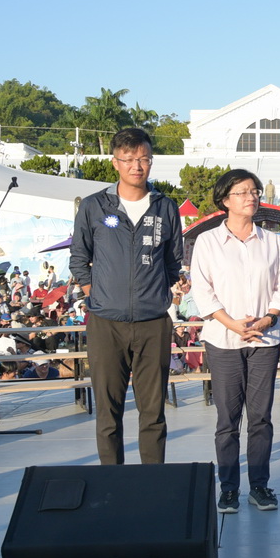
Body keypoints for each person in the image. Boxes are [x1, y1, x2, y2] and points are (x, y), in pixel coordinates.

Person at [70, 127, 184, 465]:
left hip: (153, 325)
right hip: (106, 324)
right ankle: (113, 485)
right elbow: (79, 258)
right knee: (108, 414)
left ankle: (152, 484)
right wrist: (97, 294)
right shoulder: (94, 206)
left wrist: (158, 295)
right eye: (129, 159)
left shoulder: (165, 207)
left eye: (144, 159)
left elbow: (173, 261)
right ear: (115, 162)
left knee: (153, 414)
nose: (138, 166)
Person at [192, 169, 280, 515]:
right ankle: (229, 488)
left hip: (265, 339)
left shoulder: (271, 241)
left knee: (261, 417)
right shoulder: (207, 242)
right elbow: (202, 291)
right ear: (225, 200)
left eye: (254, 191)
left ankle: (260, 486)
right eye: (242, 192)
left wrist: (268, 318)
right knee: (228, 419)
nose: (251, 197)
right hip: (223, 340)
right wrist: (231, 323)